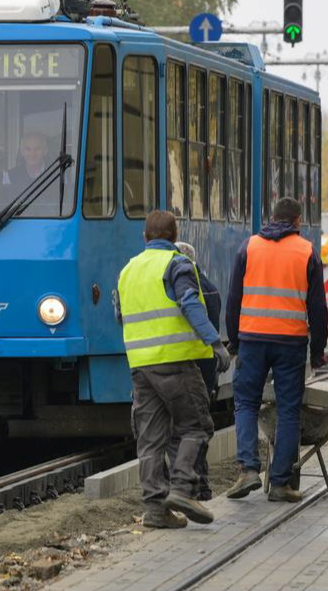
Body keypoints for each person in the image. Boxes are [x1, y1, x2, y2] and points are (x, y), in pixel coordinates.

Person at [115, 210, 230, 529]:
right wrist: (215, 343)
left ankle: (155, 511)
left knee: (150, 438)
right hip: (176, 362)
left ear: (145, 237)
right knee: (196, 426)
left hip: (141, 366)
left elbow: (119, 315)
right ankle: (181, 489)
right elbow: (191, 303)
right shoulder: (178, 264)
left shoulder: (128, 270)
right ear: (174, 234)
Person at [224, 197, 328, 504]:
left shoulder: (249, 247)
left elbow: (234, 300)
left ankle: (248, 470)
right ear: (297, 221)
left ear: (271, 218)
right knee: (288, 410)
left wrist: (235, 340)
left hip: (253, 339)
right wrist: (318, 350)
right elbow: (318, 309)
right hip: (291, 342)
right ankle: (281, 483)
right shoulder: (307, 251)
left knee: (245, 403)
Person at [175, 241, 222, 500]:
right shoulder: (211, 290)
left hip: (184, 367)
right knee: (199, 428)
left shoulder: (181, 289)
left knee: (185, 430)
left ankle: (191, 487)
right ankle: (200, 486)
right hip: (204, 371)